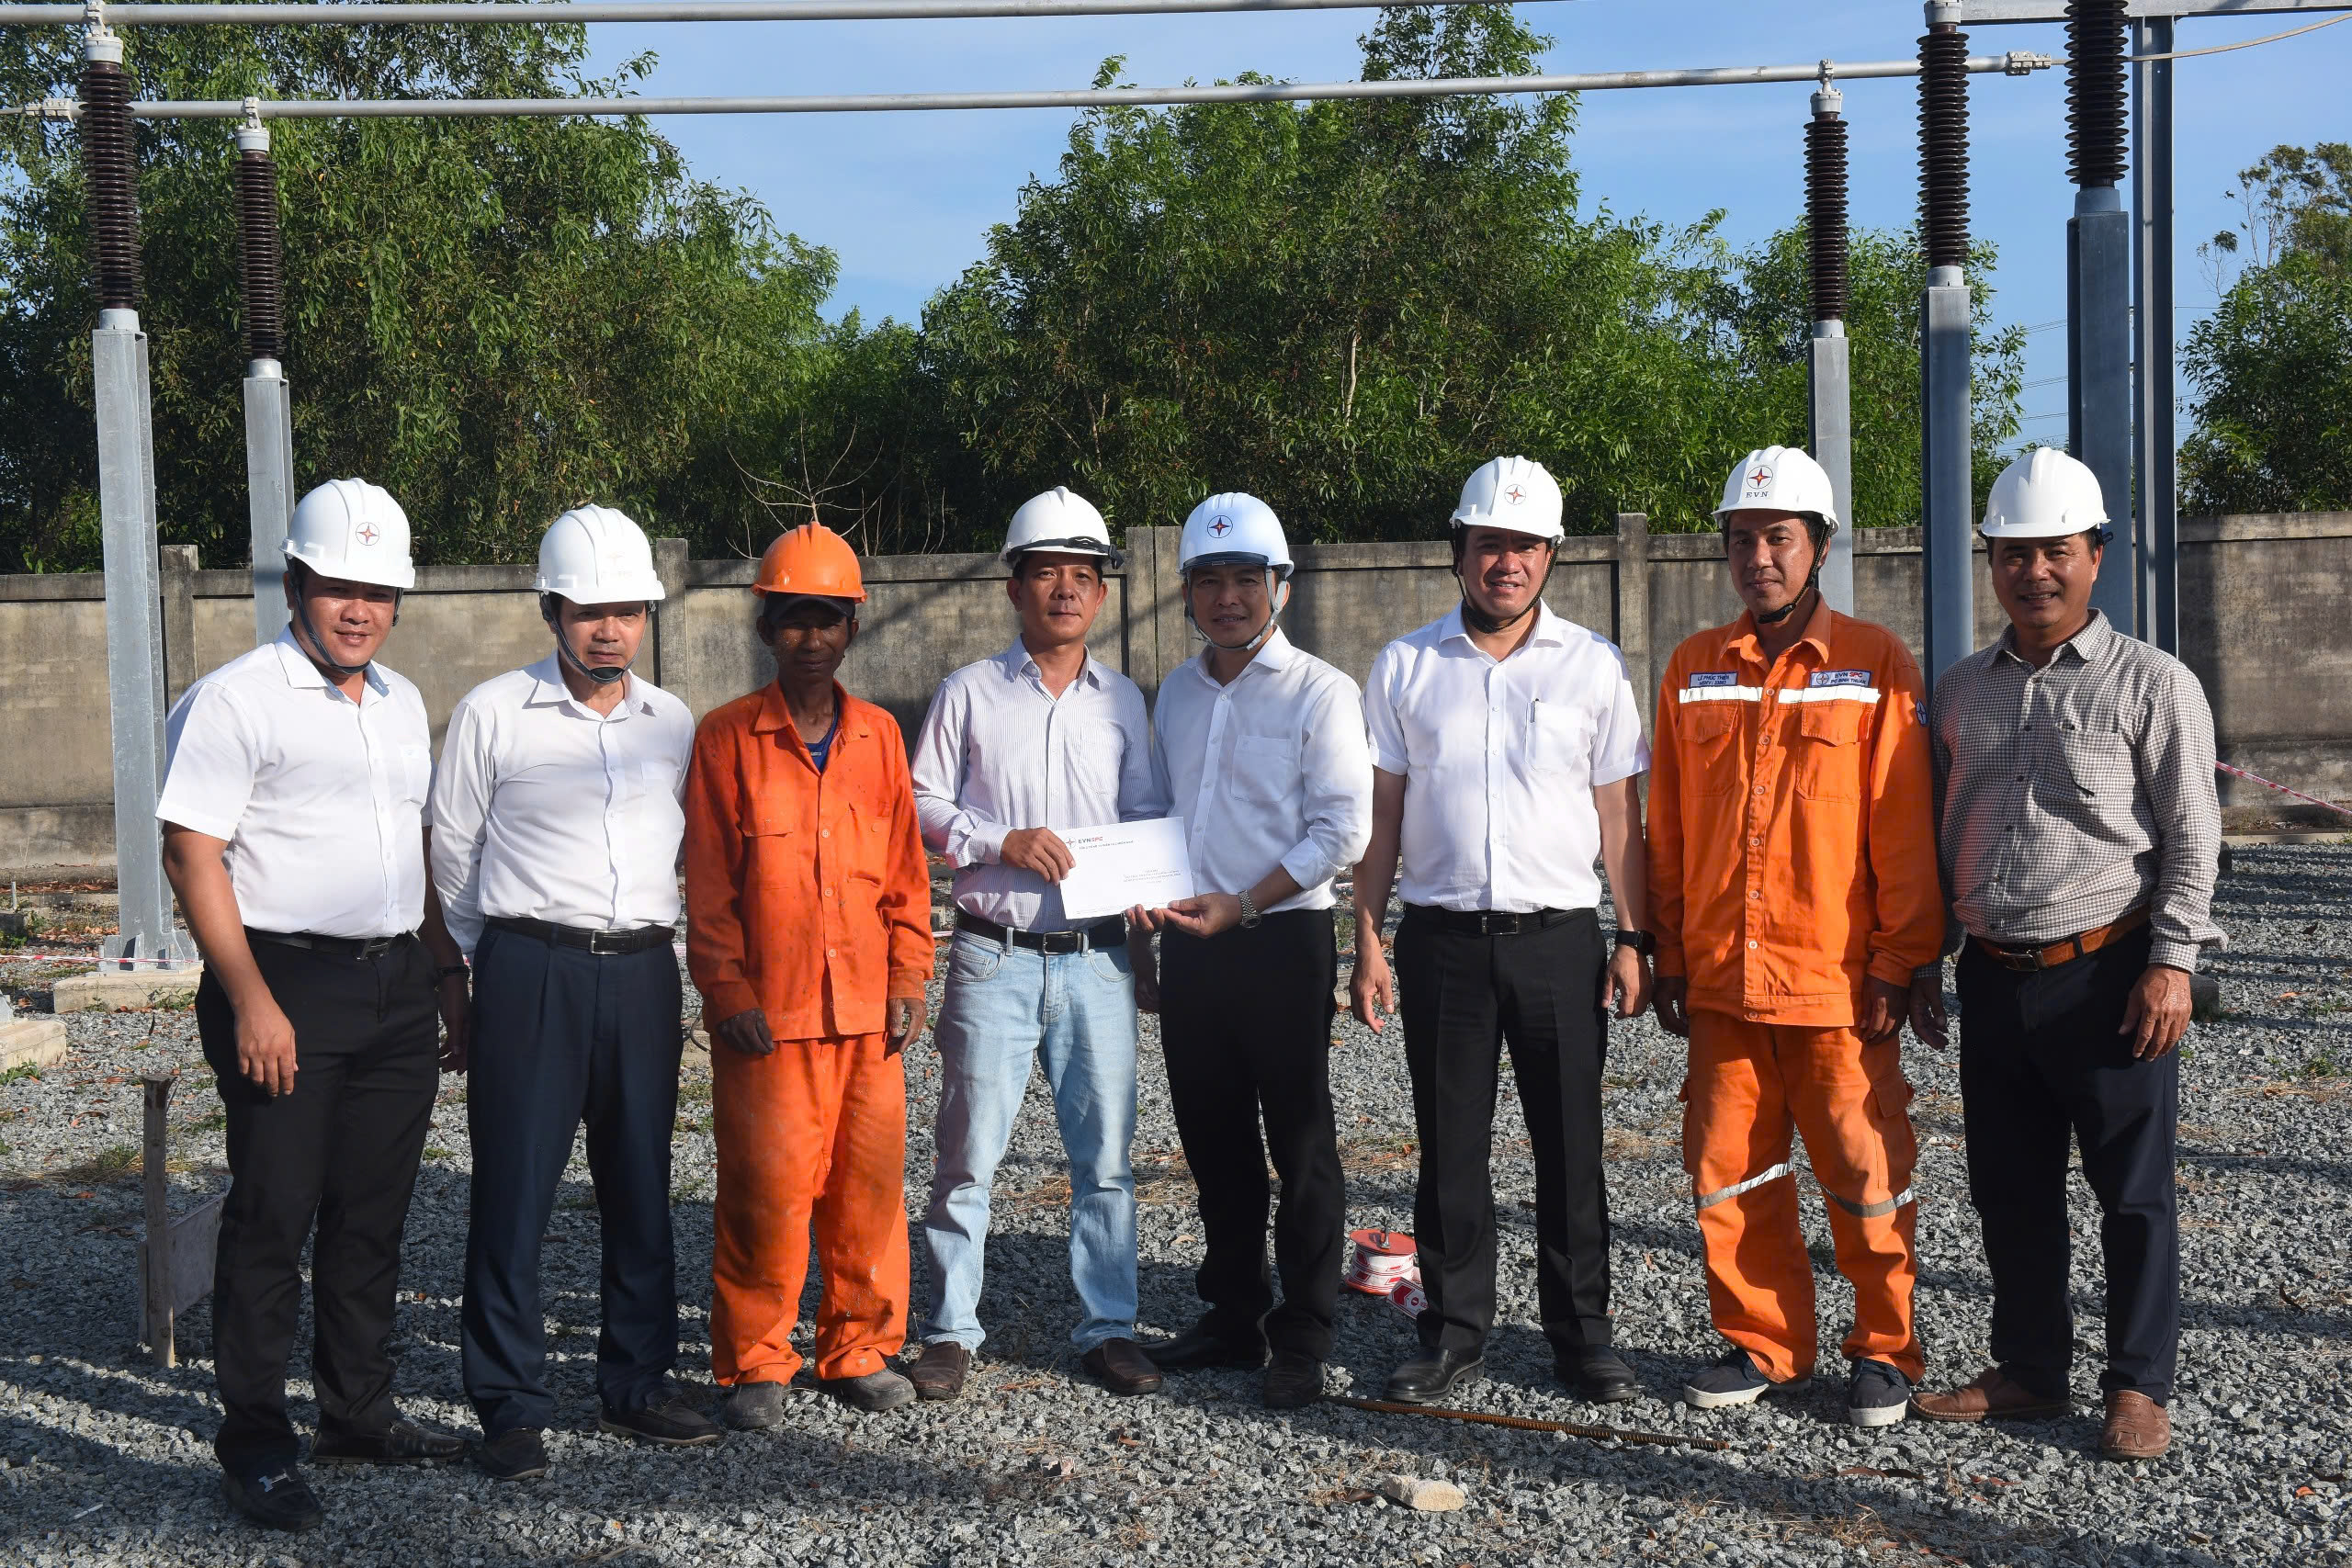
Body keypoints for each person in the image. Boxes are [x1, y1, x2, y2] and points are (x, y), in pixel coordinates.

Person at [157, 479, 469, 1532]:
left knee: (371, 1218)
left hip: (394, 984)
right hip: (283, 981)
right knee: (272, 1218)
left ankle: (358, 1414)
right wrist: (250, 999)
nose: (359, 610)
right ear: (295, 584)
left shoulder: (399, 703)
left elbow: (413, 848)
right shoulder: (237, 699)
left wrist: (445, 972)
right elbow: (191, 852)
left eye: (378, 593)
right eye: (339, 588)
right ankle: (254, 1445)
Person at [1906, 447, 2221, 1462]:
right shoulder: (1961, 691)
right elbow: (1940, 831)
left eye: (2054, 551)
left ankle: (2137, 1384)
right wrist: (1926, 959)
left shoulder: (2153, 685)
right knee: (2010, 1187)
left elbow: (2192, 835)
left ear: (2095, 555)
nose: (2033, 572)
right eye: (2013, 553)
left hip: (2110, 974)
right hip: (1994, 978)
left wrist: (2172, 961)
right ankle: (2032, 1371)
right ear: (1990, 561)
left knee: (2132, 1192)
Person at [1646, 446, 1942, 1427]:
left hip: (1836, 983)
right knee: (1730, 1172)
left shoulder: (1875, 662)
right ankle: (1763, 1343)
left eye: (1778, 538)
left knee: (1865, 1172)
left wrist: (1902, 956)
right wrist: (1670, 954)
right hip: (1724, 980)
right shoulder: (1693, 668)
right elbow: (1667, 828)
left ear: (1817, 546)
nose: (1758, 557)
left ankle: (1884, 1349)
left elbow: (1901, 824)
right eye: (1742, 539)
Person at [1349, 456, 1652, 1407]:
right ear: (1459, 551)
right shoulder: (1405, 666)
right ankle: (1452, 1331)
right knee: (1449, 1148)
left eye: (1525, 545)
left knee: (1571, 1146)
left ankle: (1582, 1336)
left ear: (1550, 555)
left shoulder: (1593, 665)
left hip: (1559, 940)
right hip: (1441, 940)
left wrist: (1633, 937)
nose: (1506, 563)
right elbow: (1381, 818)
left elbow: (1618, 817)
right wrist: (1368, 938)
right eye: (1489, 544)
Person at [429, 507, 719, 1480]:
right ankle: (509, 1403)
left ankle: (636, 1381)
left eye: (627, 612)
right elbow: (453, 852)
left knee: (640, 1183)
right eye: (589, 611)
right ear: (550, 609)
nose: (609, 630)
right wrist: (475, 970)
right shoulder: (493, 713)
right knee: (513, 1190)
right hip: (531, 965)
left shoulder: (671, 721)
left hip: (642, 970)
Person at [907, 489, 1170, 1401]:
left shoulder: (1123, 701)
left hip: (1098, 960)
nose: (1065, 589)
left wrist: (1145, 928)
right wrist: (998, 840)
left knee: (1105, 1163)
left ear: (1101, 593)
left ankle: (1109, 1328)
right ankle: (950, 1330)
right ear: (1014, 587)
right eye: (1046, 572)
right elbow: (920, 801)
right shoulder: (969, 692)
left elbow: (1145, 818)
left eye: (1082, 575)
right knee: (965, 1157)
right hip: (995, 955)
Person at [683, 522, 934, 1425]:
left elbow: (906, 874)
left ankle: (858, 1347)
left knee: (867, 1193)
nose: (812, 638)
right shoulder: (726, 739)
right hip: (770, 1017)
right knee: (766, 1193)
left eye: (828, 619)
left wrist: (908, 977)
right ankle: (756, 1359)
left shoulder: (879, 738)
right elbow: (709, 881)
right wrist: (727, 991)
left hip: (866, 1016)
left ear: (852, 629)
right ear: (766, 629)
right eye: (794, 620)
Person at [1136, 492, 1373, 1411]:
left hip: (1281, 939)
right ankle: (1234, 1311)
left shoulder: (1321, 691)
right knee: (1214, 1137)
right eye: (1209, 580)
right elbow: (1158, 816)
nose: (1227, 597)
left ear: (1281, 585)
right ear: (1187, 593)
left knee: (1301, 1143)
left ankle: (1302, 1333)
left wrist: (1246, 902)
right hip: (1193, 942)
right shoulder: (1177, 692)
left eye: (1246, 578)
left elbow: (1342, 830)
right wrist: (1145, 920)